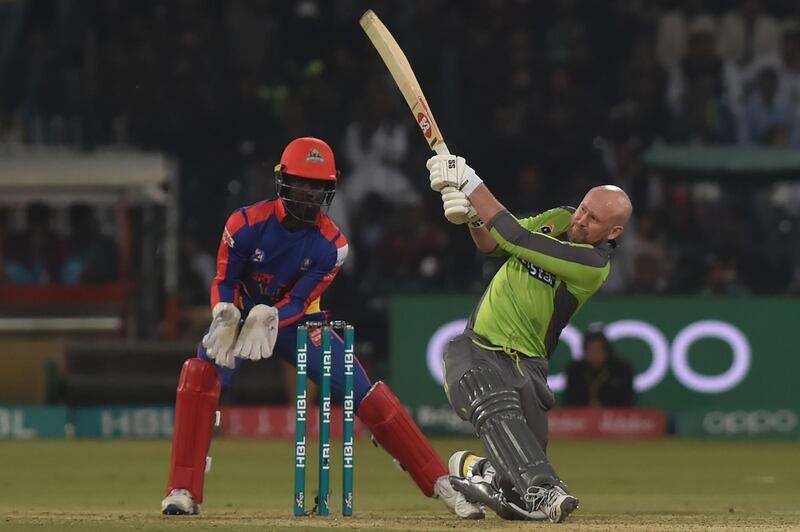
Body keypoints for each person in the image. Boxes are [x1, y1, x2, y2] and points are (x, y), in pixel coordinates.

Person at [160, 137, 480, 518]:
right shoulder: (244, 224)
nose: (309, 194)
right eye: (301, 183)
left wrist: (273, 315)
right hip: (240, 316)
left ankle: (441, 481)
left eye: (318, 186)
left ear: (331, 188)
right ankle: (182, 489)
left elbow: (298, 301)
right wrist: (223, 312)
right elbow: (224, 280)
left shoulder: (333, 244)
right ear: (282, 180)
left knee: (367, 393)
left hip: (299, 322)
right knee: (200, 374)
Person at [424, 154, 632, 523]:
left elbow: (517, 237)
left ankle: (474, 469)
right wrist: (474, 220)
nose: (580, 220)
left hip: (529, 368)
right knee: (497, 410)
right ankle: (547, 487)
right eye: (583, 209)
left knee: (516, 503)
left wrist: (471, 182)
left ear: (613, 232)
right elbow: (494, 244)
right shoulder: (560, 218)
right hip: (477, 349)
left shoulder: (593, 265)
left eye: (593, 219)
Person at [564, 329, 635, 407]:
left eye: (598, 350)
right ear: (585, 352)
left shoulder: (622, 370)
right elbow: (570, 400)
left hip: (614, 416)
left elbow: (627, 401)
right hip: (581, 416)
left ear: (606, 351)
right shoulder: (575, 370)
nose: (595, 355)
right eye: (591, 351)